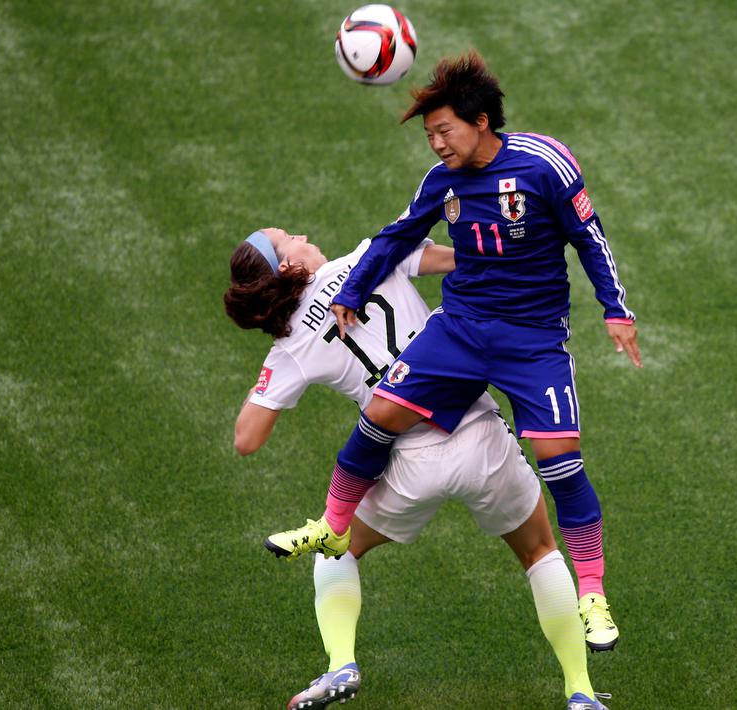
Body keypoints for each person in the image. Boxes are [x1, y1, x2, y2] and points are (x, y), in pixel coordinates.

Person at [268, 50, 638, 653]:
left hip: (532, 339)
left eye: (444, 131)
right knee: (382, 412)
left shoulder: (546, 163)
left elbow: (588, 238)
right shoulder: (442, 181)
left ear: (481, 121)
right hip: (461, 329)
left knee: (558, 458)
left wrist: (615, 309)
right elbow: (399, 236)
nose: (437, 144)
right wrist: (354, 290)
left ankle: (592, 594)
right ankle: (333, 527)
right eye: (430, 134)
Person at [224, 228, 610, 710]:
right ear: (286, 266)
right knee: (539, 551)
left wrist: (278, 361)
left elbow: (247, 439)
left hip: (407, 460)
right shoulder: (370, 256)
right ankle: (581, 691)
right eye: (288, 238)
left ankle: (341, 663)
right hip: (480, 434)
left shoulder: (291, 347)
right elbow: (460, 261)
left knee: (335, 550)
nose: (301, 234)